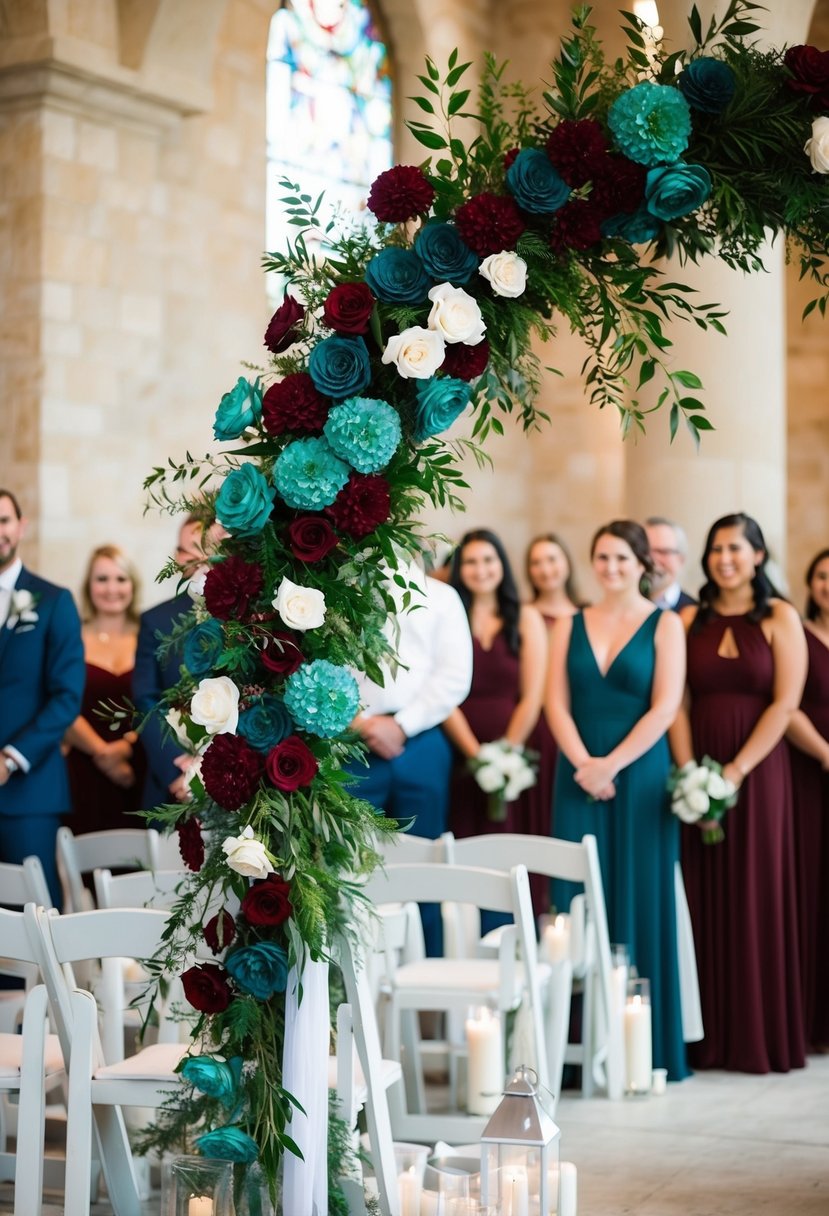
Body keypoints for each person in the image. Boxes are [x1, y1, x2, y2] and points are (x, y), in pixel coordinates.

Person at [546, 520, 692, 1081]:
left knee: (640, 894)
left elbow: (664, 708)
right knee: (576, 897)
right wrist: (585, 763)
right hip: (577, 773)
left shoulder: (665, 625)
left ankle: (645, 1052)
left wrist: (612, 764)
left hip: (640, 775)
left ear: (642, 565)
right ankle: (575, 1049)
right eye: (602, 558)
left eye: (622, 559)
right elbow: (555, 703)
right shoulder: (569, 624)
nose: (611, 568)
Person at [671, 512, 807, 1073]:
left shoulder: (779, 616)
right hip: (696, 768)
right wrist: (689, 776)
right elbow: (677, 702)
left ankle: (756, 1037)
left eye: (736, 548)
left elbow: (785, 703)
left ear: (757, 555)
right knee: (702, 895)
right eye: (715, 549)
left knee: (756, 890)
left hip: (757, 770)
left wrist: (734, 771)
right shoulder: (687, 619)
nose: (724, 558)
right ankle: (707, 1039)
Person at [350, 556, 473, 955]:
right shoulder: (342, 593)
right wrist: (359, 723)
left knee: (423, 866)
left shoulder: (442, 598)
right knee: (350, 862)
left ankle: (425, 986)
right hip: (351, 740)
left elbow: (453, 676)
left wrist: (402, 724)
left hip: (418, 740)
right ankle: (349, 982)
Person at [444, 530, 547, 916]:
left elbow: (532, 695)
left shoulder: (527, 618)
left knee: (510, 852)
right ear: (459, 569)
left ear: (502, 564)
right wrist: (475, 755)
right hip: (459, 751)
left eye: (489, 559)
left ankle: (513, 936)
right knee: (464, 848)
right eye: (470, 561)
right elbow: (443, 690)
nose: (480, 569)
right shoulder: (449, 615)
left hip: (513, 757)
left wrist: (504, 756)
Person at [0, 489, 85, 905]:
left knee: (32, 916)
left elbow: (66, 697)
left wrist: (10, 757)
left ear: (20, 527)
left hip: (29, 792)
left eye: (3, 521)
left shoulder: (54, 601)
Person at [64, 545, 146, 833]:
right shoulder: (70, 637)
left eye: (120, 579)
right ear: (88, 586)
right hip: (82, 769)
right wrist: (104, 755)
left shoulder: (150, 637)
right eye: (102, 579)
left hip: (139, 769)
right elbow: (60, 702)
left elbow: (163, 703)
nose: (112, 588)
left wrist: (127, 747)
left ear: (133, 585)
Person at [132, 515, 208, 811]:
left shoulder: (249, 616)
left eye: (200, 547)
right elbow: (145, 701)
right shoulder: (156, 621)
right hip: (171, 783)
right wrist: (180, 768)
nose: (190, 557)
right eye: (183, 550)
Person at [786, 548, 829, 1052]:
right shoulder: (798, 631)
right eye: (820, 576)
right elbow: (788, 703)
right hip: (810, 772)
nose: (826, 584)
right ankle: (815, 1023)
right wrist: (824, 752)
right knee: (813, 888)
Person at [525, 533, 579, 841]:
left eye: (552, 559)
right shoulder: (523, 614)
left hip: (577, 723)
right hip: (537, 726)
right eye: (537, 562)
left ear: (567, 563)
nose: (546, 569)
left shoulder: (588, 614)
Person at [645, 516, 696, 610]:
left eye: (662, 552)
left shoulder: (696, 615)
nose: (651, 559)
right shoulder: (621, 607)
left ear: (681, 559)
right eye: (645, 551)